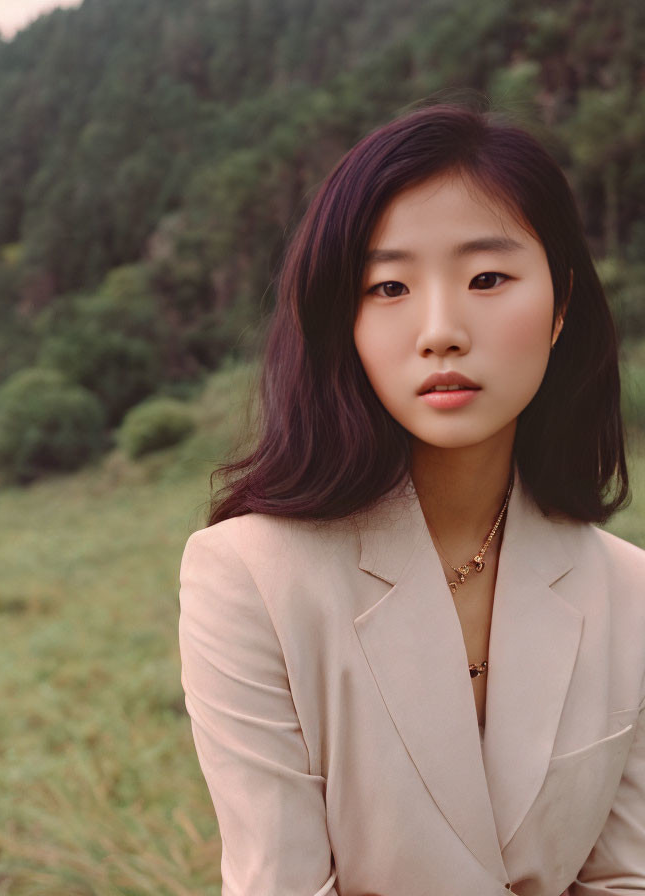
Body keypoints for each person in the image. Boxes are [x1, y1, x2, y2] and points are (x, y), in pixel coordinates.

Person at [177, 101, 645, 896]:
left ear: (562, 302)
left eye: (488, 278)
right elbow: (280, 883)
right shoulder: (248, 574)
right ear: (342, 322)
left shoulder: (631, 593)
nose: (440, 330)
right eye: (388, 286)